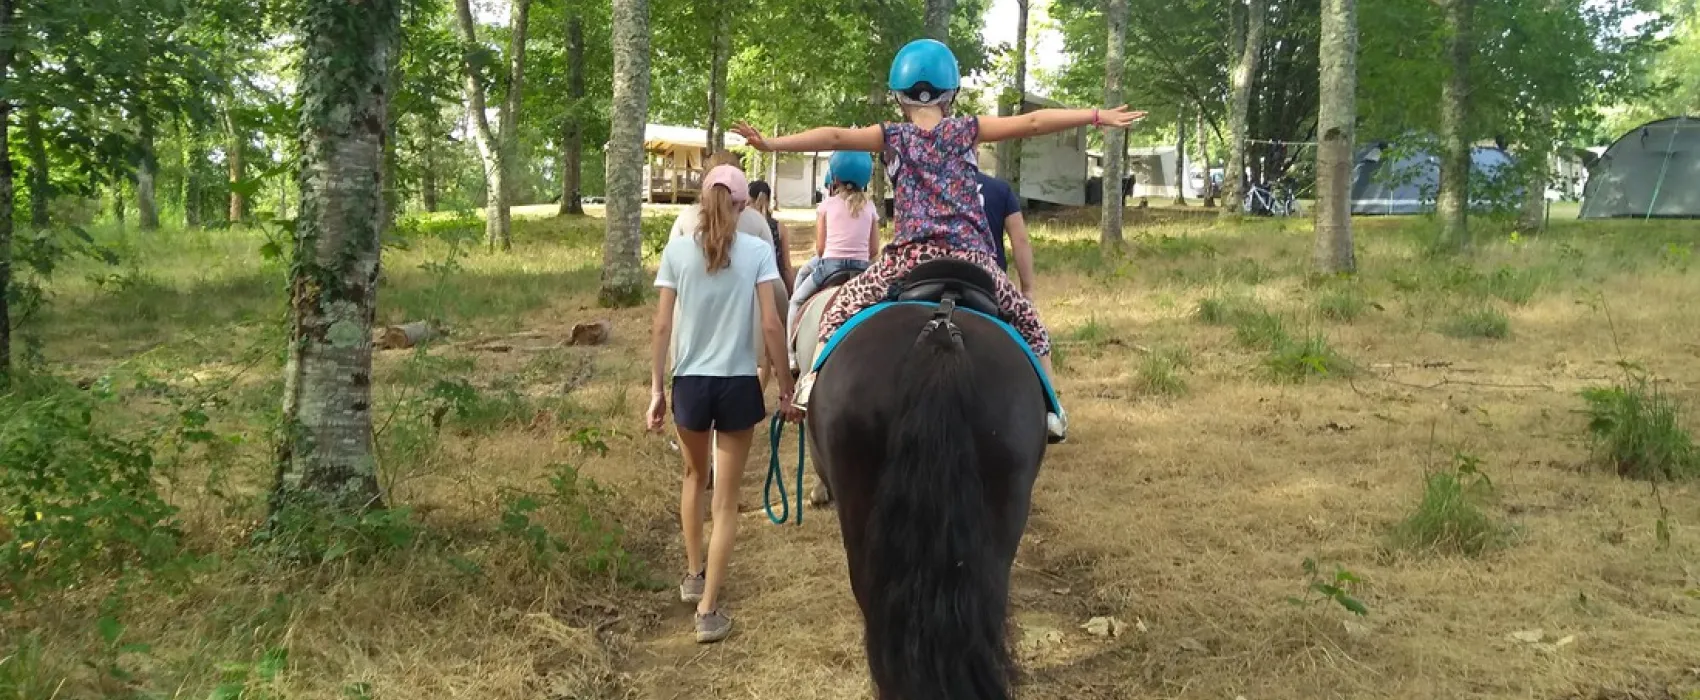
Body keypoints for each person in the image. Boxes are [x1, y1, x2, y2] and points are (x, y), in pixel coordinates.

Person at [735, 38, 1145, 442]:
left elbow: (836, 138)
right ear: (951, 94)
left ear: (899, 96)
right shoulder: (967, 130)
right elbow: (1034, 124)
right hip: (972, 257)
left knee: (839, 307)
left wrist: (771, 144)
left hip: (909, 259)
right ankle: (1052, 409)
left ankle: (809, 382)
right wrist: (1094, 115)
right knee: (1031, 325)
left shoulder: (892, 135)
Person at [647, 165, 796, 644]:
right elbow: (772, 325)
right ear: (742, 204)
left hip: (689, 383)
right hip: (736, 383)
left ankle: (693, 575)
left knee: (694, 478)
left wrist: (656, 390)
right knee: (726, 503)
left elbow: (661, 328)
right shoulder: (757, 250)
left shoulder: (675, 251)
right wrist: (787, 386)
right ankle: (709, 611)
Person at [788, 151, 880, 338]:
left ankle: (790, 353)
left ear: (835, 178)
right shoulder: (870, 207)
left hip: (830, 267)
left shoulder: (826, 205)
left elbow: (821, 249)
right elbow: (874, 249)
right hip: (861, 269)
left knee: (796, 301)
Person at [974, 172, 1037, 299]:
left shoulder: (932, 188)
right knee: (1027, 317)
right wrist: (1027, 290)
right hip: (990, 281)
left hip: (937, 274)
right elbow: (1020, 241)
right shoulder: (1000, 190)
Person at [746, 179, 795, 292]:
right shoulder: (780, 228)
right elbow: (786, 267)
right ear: (768, 201)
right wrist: (793, 294)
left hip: (748, 285)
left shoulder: (743, 227)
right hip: (774, 284)